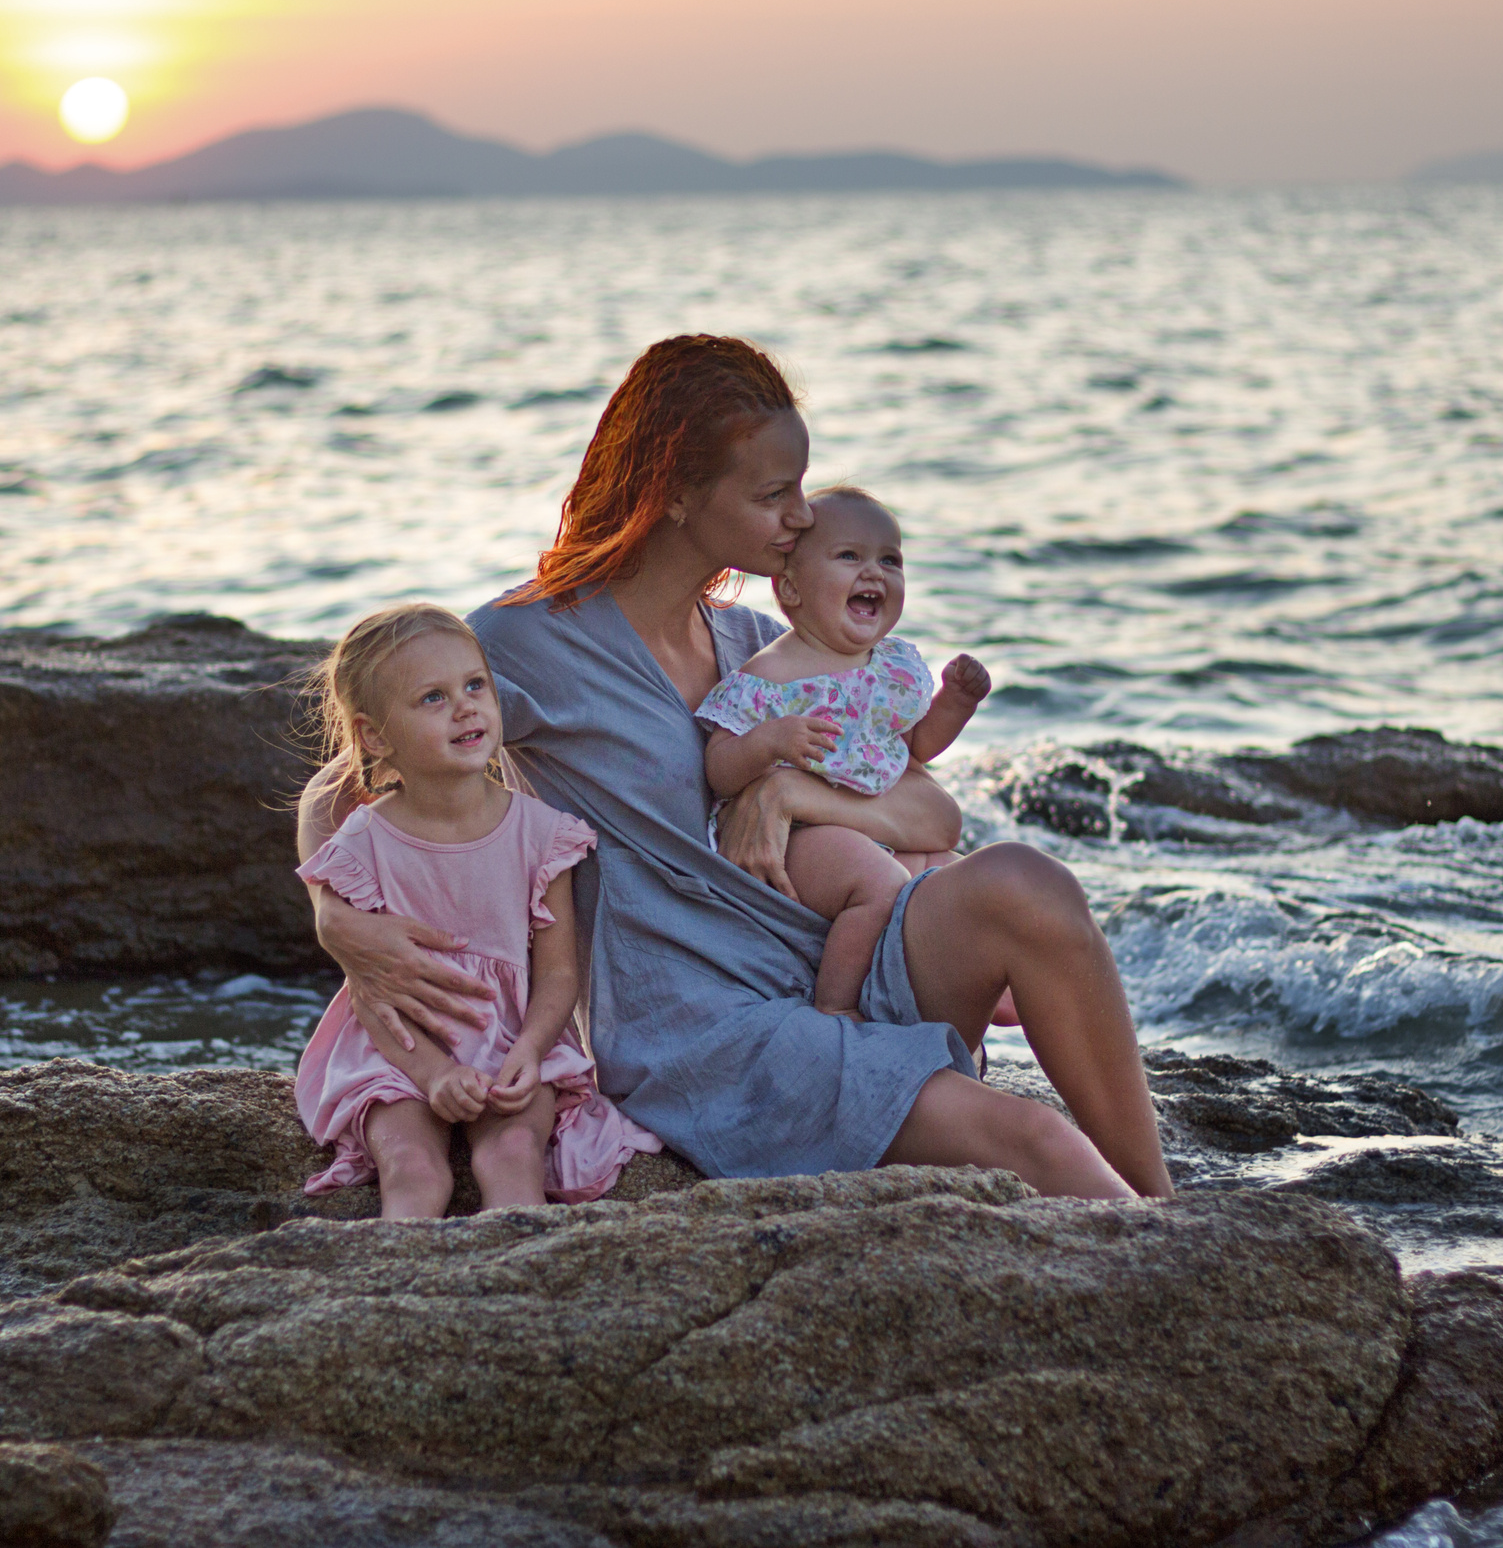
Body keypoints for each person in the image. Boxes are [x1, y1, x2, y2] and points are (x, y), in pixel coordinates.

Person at [300, 334, 1174, 1201]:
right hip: (710, 1030)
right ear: (678, 494)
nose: (804, 517)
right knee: (1031, 1134)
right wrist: (337, 922)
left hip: (841, 962)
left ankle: (1166, 1212)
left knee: (1027, 881)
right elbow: (346, 781)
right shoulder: (529, 640)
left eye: (801, 487)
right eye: (772, 494)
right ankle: (1154, 1237)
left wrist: (788, 789)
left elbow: (929, 812)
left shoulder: (764, 647)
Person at [292, 602, 661, 1218]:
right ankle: (397, 1271)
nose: (466, 708)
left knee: (513, 1154)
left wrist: (530, 1052)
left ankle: (512, 1265)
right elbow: (372, 991)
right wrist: (434, 1074)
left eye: (475, 686)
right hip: (400, 1050)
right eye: (433, 698)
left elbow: (558, 974)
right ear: (375, 737)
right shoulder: (362, 844)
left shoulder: (544, 835)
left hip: (513, 1041)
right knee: (412, 1167)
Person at [695, 483, 997, 1020]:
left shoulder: (892, 667)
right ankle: (835, 1009)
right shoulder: (770, 676)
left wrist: (955, 703)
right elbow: (719, 767)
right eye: (849, 556)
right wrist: (770, 741)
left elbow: (917, 747)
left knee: (953, 881)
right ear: (791, 590)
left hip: (872, 819)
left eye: (890, 560)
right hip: (800, 836)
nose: (874, 572)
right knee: (879, 886)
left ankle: (976, 998)